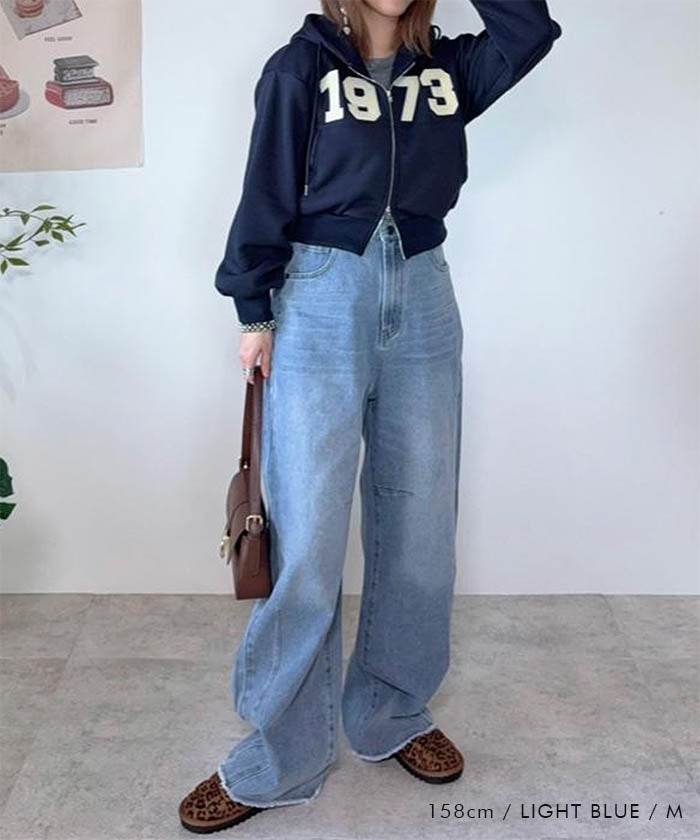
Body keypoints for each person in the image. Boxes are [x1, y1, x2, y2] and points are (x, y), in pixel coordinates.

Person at [179, 0, 562, 832]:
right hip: (320, 293)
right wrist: (253, 309)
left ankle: (392, 711)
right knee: (307, 536)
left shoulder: (449, 69)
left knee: (420, 525)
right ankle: (281, 753)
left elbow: (529, 31)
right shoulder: (299, 68)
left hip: (422, 287)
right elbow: (264, 185)